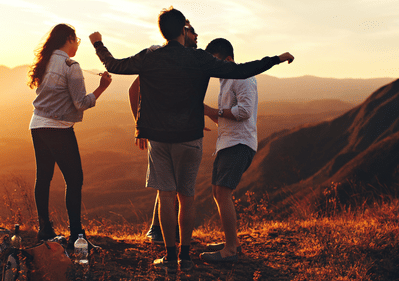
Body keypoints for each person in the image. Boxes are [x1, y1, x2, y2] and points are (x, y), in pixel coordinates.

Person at [89, 7, 294, 273]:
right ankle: (186, 256)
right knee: (187, 197)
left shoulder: (150, 57)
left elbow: (115, 65)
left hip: (160, 138)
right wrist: (276, 58)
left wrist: (98, 44)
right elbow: (242, 70)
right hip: (190, 137)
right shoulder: (198, 59)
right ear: (183, 31)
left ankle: (170, 258)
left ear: (163, 30)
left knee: (166, 196)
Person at [28, 23, 112, 249]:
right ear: (69, 39)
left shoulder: (45, 62)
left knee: (43, 177)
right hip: (59, 128)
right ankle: (77, 236)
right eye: (77, 41)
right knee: (74, 179)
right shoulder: (71, 65)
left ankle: (44, 230)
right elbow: (81, 103)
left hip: (37, 125)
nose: (77, 46)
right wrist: (102, 87)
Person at [128, 20, 199, 244]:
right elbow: (134, 88)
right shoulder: (159, 55)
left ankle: (165, 233)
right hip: (161, 131)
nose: (197, 36)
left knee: (171, 185)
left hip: (177, 130)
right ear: (182, 32)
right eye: (192, 31)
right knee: (168, 186)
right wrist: (140, 125)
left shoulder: (185, 60)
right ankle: (158, 231)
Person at [199, 38, 259, 262]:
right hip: (228, 142)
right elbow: (226, 117)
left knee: (223, 193)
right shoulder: (226, 80)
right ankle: (231, 242)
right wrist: (207, 112)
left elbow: (243, 111)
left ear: (229, 59)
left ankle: (231, 250)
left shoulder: (241, 77)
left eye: (215, 61)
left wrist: (214, 110)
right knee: (217, 192)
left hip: (239, 143)